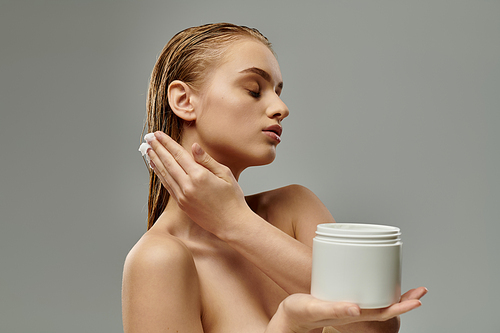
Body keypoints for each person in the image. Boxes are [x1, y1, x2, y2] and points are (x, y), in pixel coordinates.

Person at [121, 23, 427, 333]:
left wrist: (234, 222)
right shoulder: (160, 260)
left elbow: (376, 326)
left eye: (278, 92)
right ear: (184, 100)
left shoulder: (294, 208)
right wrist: (285, 327)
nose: (281, 108)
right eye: (254, 90)